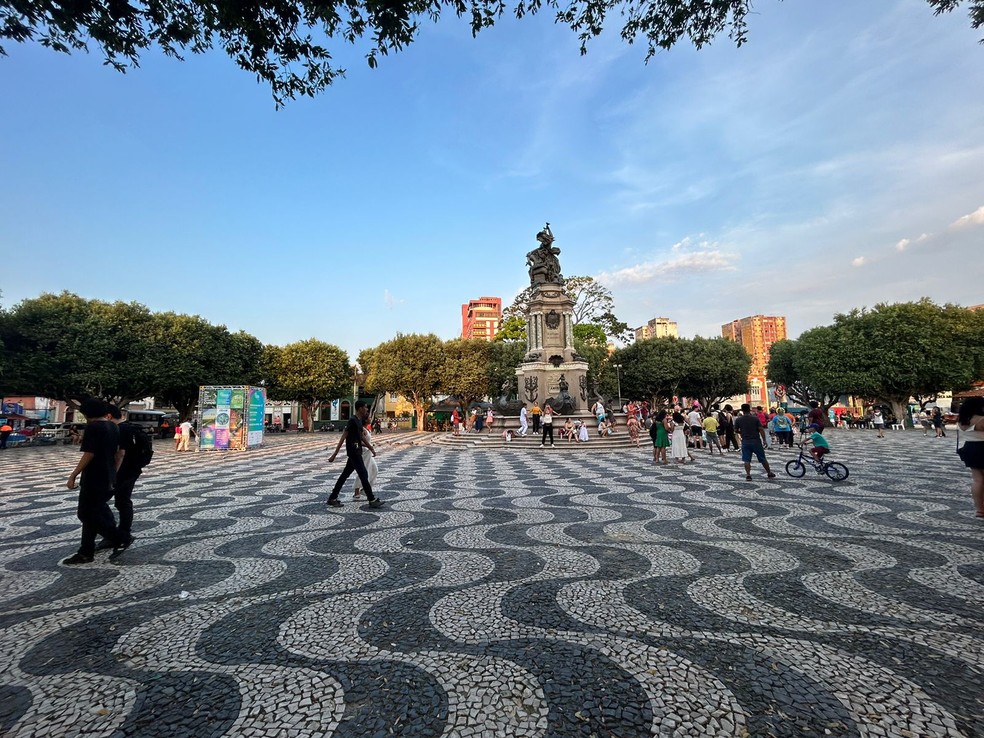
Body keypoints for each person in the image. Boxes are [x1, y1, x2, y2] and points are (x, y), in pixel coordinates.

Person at [62, 398, 126, 565]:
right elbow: (119, 453)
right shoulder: (113, 426)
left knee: (85, 513)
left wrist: (73, 475)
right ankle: (86, 551)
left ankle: (120, 537)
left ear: (86, 413)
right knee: (92, 514)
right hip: (108, 475)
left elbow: (89, 453)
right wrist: (113, 472)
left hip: (94, 476)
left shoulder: (94, 427)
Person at [100, 405, 149, 552]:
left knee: (102, 501)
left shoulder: (120, 430)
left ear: (108, 416)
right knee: (123, 501)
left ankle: (116, 533)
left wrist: (113, 474)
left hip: (122, 472)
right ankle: (122, 532)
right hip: (133, 470)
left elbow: (120, 453)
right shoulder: (130, 427)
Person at [327, 400, 383, 508]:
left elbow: (361, 437)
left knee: (345, 475)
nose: (366, 409)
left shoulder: (359, 420)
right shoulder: (352, 420)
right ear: (360, 408)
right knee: (363, 474)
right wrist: (335, 454)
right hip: (354, 452)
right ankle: (371, 499)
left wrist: (371, 448)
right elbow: (344, 436)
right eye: (365, 407)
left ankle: (332, 497)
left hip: (357, 451)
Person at [956, 396, 984, 518]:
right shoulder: (981, 420)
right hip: (982, 446)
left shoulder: (962, 420)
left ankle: (979, 509)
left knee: (977, 480)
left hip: (969, 448)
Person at [734, 403, 777, 481]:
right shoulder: (755, 419)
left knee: (746, 459)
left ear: (742, 410)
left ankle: (748, 475)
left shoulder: (738, 420)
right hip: (756, 441)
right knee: (762, 458)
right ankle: (769, 472)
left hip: (745, 441)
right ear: (749, 409)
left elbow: (735, 430)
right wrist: (764, 440)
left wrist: (742, 432)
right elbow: (761, 429)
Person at [353, 424, 379, 500]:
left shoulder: (366, 428)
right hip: (363, 453)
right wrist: (369, 446)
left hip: (368, 452)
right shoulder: (361, 429)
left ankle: (364, 490)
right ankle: (356, 492)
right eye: (369, 418)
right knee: (363, 472)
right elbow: (357, 441)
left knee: (374, 470)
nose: (371, 419)